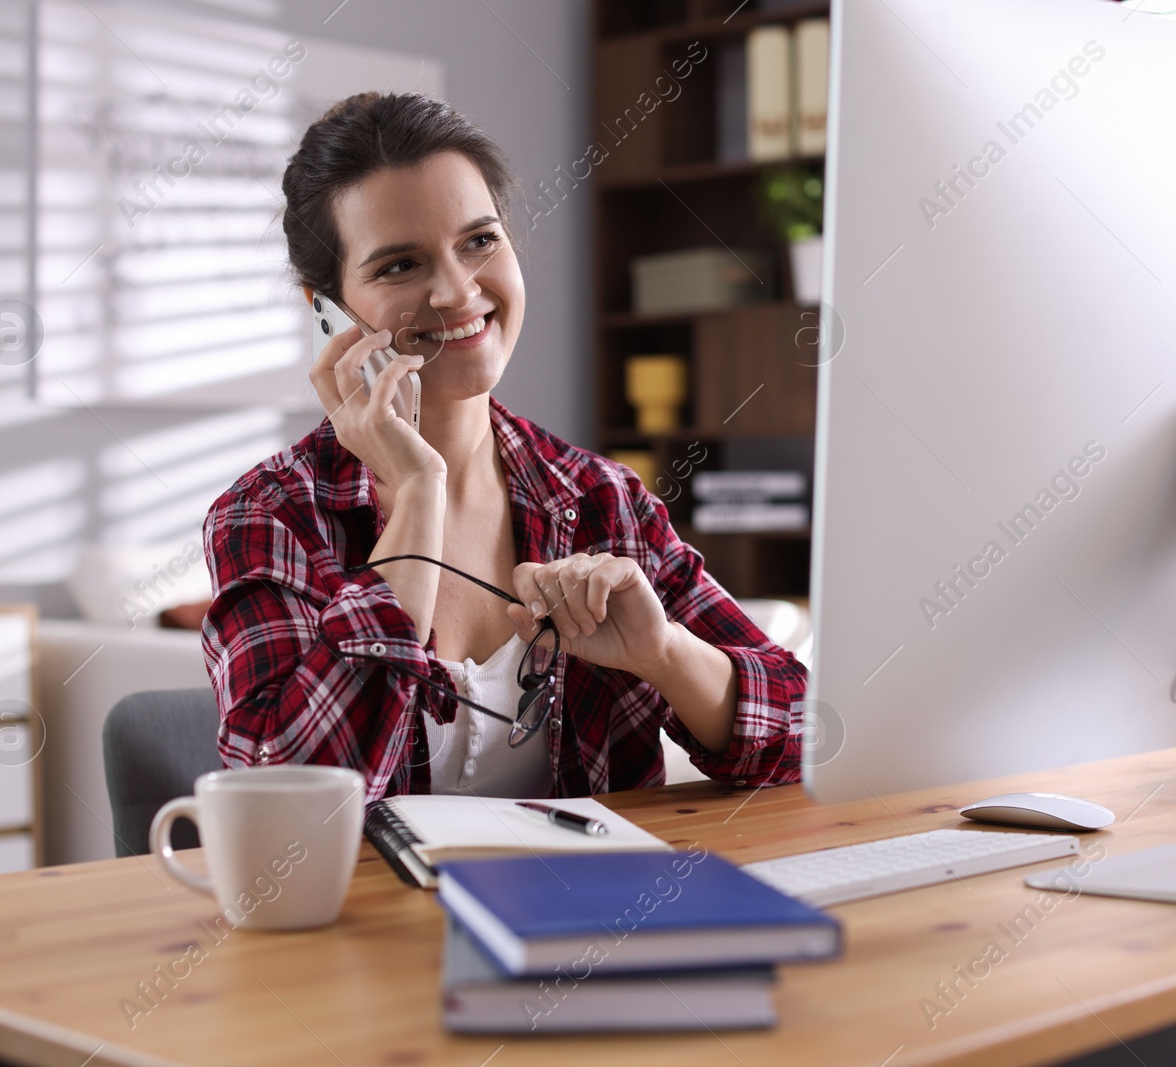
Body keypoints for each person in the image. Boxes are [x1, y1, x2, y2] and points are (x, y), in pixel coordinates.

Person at [201, 91, 805, 802]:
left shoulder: (599, 499)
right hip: (377, 916)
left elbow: (806, 733)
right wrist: (419, 492)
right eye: (400, 266)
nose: (458, 293)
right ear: (327, 311)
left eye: (479, 241)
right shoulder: (270, 516)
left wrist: (664, 652)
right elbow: (288, 796)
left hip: (594, 910)